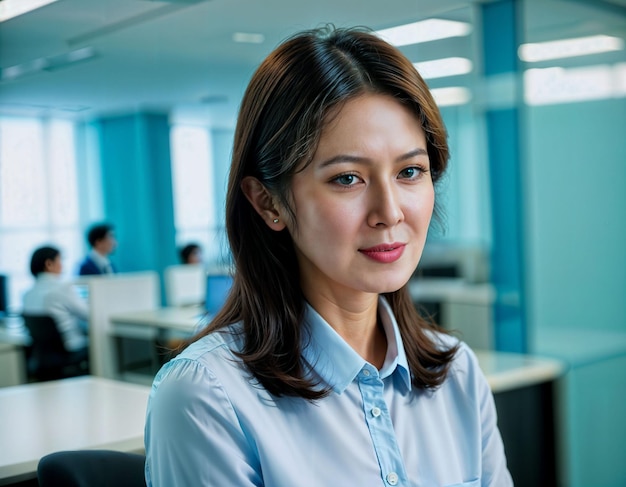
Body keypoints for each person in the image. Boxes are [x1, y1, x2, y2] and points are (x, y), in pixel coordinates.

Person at [144, 26, 513, 486]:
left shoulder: (458, 372)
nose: (390, 211)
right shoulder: (207, 397)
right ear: (267, 202)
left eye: (410, 171)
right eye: (347, 178)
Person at [23, 246, 89, 354]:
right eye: (60, 260)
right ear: (49, 264)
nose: (62, 265)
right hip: (70, 348)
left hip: (44, 353)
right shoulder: (62, 288)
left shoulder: (27, 294)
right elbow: (88, 314)